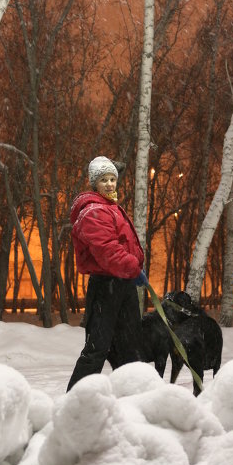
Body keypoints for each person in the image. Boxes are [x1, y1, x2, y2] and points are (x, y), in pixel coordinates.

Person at [66, 156, 147, 391]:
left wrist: (131, 271)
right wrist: (134, 268)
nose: (110, 184)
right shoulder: (93, 212)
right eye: (104, 180)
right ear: (94, 184)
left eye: (113, 179)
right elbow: (107, 251)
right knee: (97, 348)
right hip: (106, 286)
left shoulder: (111, 208)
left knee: (130, 347)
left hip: (123, 284)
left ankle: (135, 397)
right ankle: (74, 400)